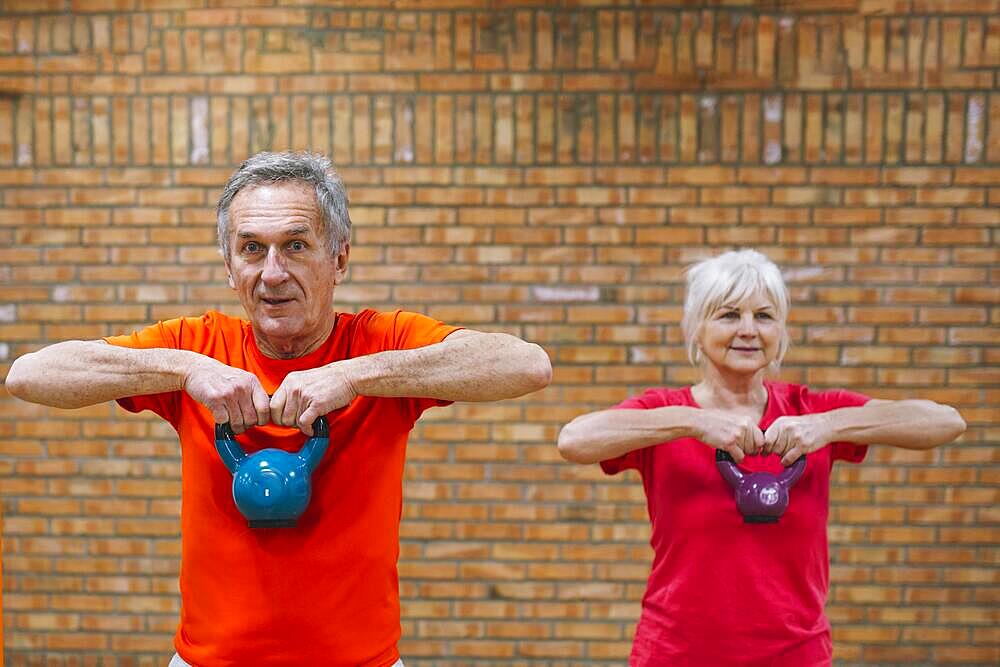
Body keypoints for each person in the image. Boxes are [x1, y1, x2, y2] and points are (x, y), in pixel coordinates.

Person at [6, 151, 552, 667]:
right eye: (251, 249)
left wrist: (354, 374)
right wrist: (183, 370)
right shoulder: (197, 346)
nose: (271, 273)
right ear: (228, 265)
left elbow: (524, 364)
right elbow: (30, 375)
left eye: (295, 245)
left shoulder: (380, 343)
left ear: (338, 258)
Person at [556, 249, 965, 667]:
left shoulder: (811, 411)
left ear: (781, 331)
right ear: (697, 329)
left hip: (795, 655)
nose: (748, 330)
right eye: (729, 315)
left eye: (764, 316)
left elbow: (945, 422)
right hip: (675, 653)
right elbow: (575, 440)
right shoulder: (664, 410)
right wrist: (692, 422)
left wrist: (828, 427)